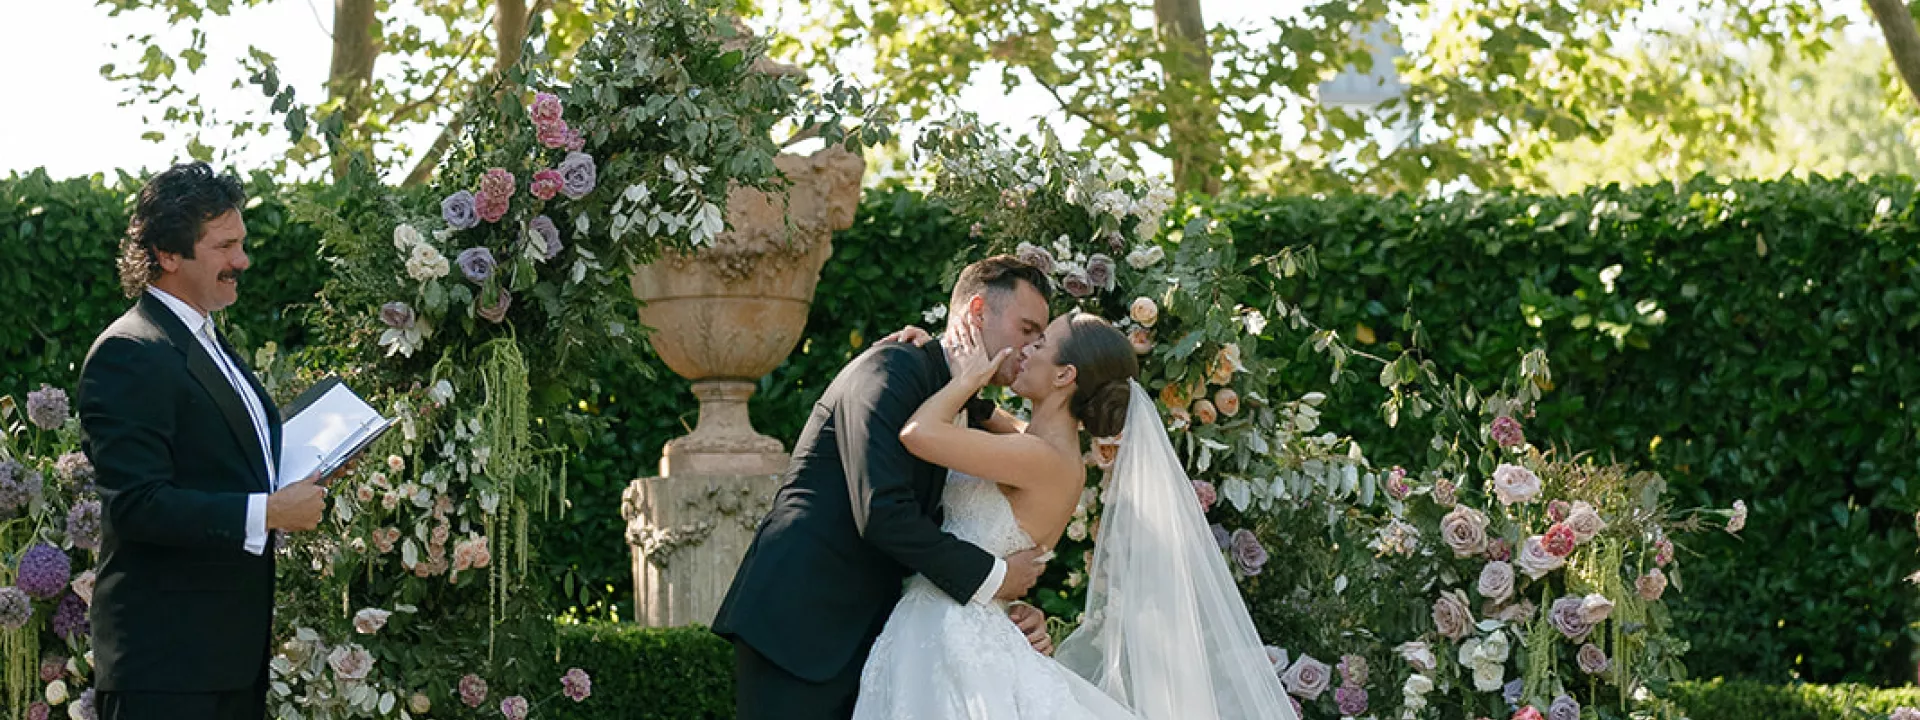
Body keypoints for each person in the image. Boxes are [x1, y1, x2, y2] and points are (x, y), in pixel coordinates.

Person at [857, 310, 1301, 720]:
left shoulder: (1040, 458)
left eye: (1040, 342)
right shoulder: (1039, 445)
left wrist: (969, 377)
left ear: (1065, 374)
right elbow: (994, 418)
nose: (1025, 349)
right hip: (953, 627)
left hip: (952, 637)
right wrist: (936, 358)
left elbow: (919, 433)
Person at [712, 255, 1059, 720]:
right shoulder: (892, 370)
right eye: (1027, 329)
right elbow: (882, 510)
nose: (1032, 348)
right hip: (801, 623)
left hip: (879, 637)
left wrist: (1009, 607)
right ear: (977, 311)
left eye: (1041, 338)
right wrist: (994, 577)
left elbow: (1040, 458)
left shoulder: (960, 401)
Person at [77, 162, 346, 720]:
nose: (242, 261)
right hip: (166, 674)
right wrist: (270, 511)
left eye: (242, 243)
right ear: (168, 254)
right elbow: (136, 506)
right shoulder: (129, 351)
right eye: (226, 246)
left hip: (227, 663)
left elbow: (226, 464)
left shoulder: (205, 339)